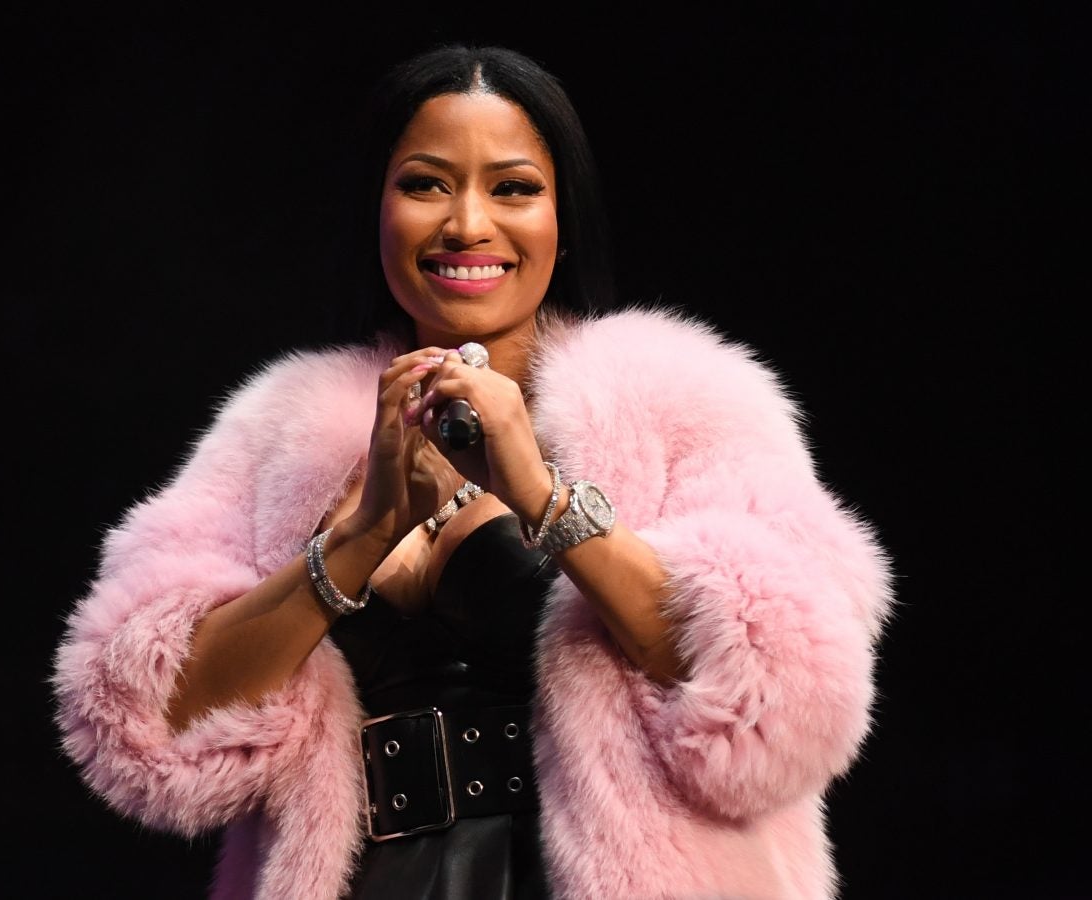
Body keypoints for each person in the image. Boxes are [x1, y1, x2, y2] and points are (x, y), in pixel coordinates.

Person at [51, 43, 893, 900]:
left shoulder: (681, 402)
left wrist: (543, 498)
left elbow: (785, 695)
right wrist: (358, 540)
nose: (466, 224)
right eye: (425, 184)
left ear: (564, 218)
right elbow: (142, 723)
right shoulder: (280, 431)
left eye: (513, 188)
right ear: (378, 211)